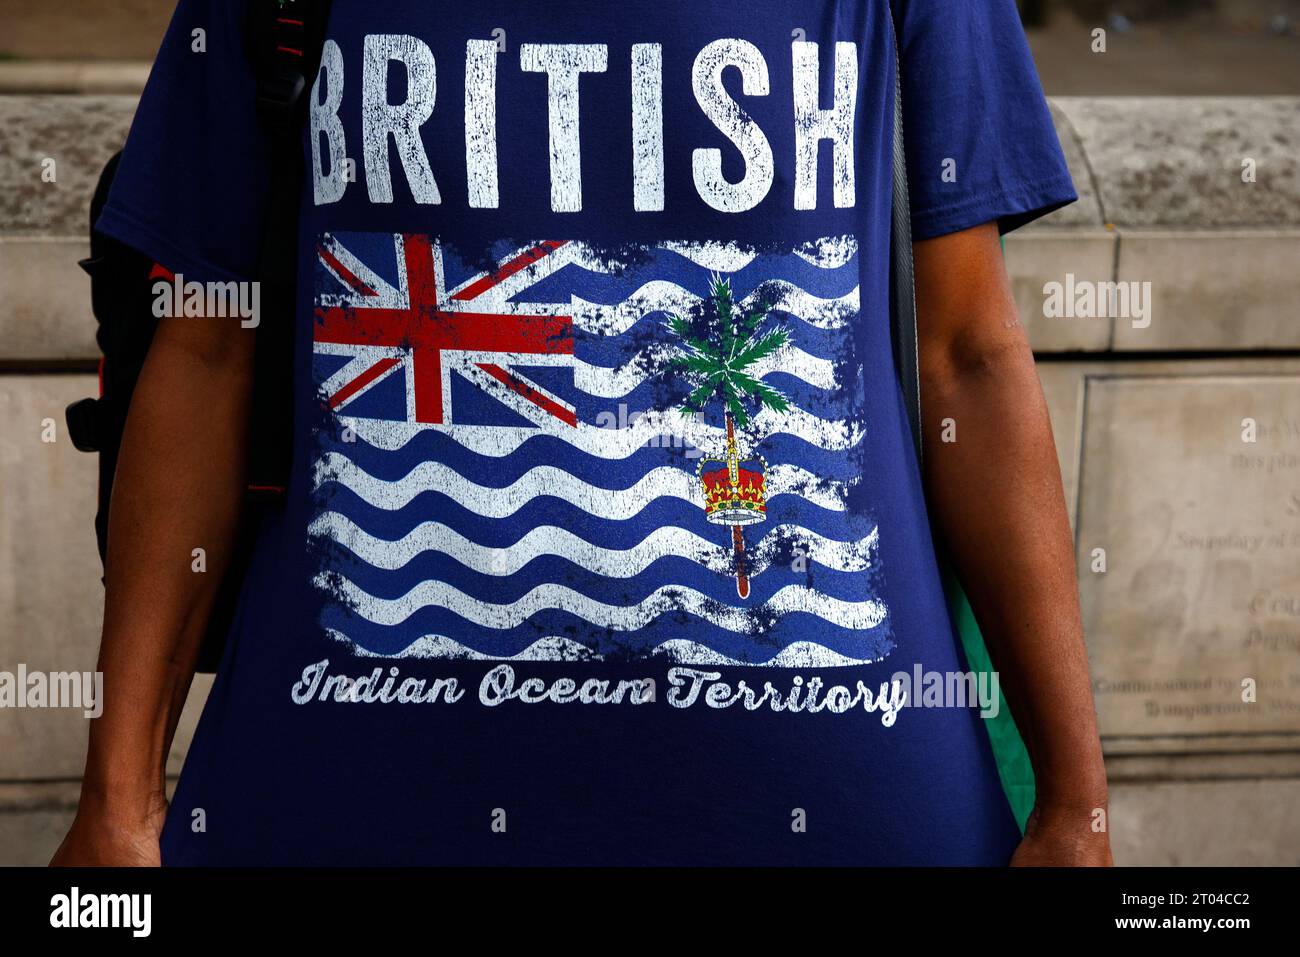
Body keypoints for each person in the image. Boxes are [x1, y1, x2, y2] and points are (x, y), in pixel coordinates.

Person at [53, 0, 1111, 866]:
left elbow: (968, 356)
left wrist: (1076, 801)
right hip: (346, 795)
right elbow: (202, 355)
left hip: (837, 808)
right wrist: (117, 803)